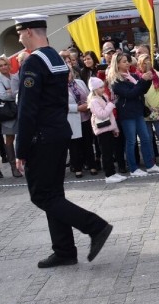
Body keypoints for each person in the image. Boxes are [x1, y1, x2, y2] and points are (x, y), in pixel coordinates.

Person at [12, 14, 112, 268]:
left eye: (20, 33)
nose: (19, 38)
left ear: (30, 32)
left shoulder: (34, 62)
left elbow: (27, 108)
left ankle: (95, 226)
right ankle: (64, 249)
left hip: (41, 138)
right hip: (59, 132)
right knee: (53, 193)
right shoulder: (56, 57)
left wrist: (20, 148)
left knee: (42, 195)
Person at [106, 52, 159, 176]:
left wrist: (147, 79)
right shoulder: (115, 81)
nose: (127, 63)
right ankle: (133, 168)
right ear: (116, 64)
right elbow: (131, 93)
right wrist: (142, 81)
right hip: (127, 114)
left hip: (138, 111)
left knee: (145, 138)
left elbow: (142, 90)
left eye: (127, 61)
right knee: (131, 141)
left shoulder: (132, 75)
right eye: (123, 61)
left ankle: (150, 165)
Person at [87, 77, 126, 184]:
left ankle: (112, 172)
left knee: (110, 151)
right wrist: (110, 105)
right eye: (100, 87)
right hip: (102, 130)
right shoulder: (94, 101)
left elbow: (111, 116)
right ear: (94, 89)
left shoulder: (104, 97)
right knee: (106, 153)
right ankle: (108, 174)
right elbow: (102, 114)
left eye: (102, 87)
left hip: (108, 128)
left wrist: (115, 128)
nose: (103, 89)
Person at [136, 54, 159, 169]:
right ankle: (151, 158)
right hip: (144, 111)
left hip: (157, 110)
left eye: (148, 61)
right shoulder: (137, 76)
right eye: (144, 62)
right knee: (148, 137)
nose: (147, 64)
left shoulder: (158, 75)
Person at [0, 56, 21, 178]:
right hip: (8, 112)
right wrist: (14, 94)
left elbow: (21, 91)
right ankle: (14, 166)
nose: (3, 67)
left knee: (22, 136)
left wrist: (11, 92)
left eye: (5, 64)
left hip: (18, 110)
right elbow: (3, 96)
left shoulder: (15, 76)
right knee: (9, 139)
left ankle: (23, 163)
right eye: (1, 65)